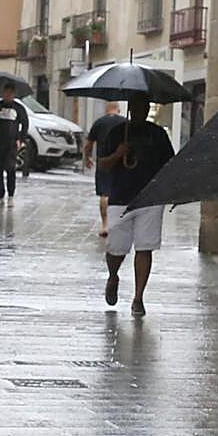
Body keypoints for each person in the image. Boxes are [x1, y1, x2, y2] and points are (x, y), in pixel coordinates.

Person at [98, 94, 173, 317]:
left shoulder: (157, 135)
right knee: (116, 248)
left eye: (144, 107)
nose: (140, 111)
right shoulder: (116, 133)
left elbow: (170, 163)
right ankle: (113, 276)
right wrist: (117, 154)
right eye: (136, 107)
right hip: (121, 197)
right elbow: (102, 165)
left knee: (145, 247)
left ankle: (138, 298)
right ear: (130, 109)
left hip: (149, 199)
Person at [82, 102, 126, 237]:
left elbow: (88, 145)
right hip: (122, 163)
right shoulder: (125, 123)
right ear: (118, 109)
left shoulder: (99, 123)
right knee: (121, 194)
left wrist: (87, 158)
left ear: (106, 109)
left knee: (104, 194)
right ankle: (119, 224)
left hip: (104, 162)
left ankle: (105, 225)